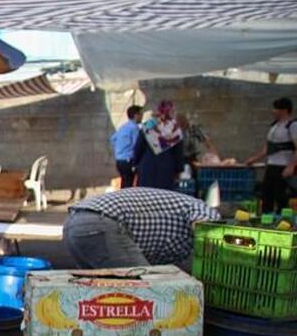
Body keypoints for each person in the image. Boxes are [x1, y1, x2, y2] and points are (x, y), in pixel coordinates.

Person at [63, 188, 221, 271]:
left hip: (73, 222)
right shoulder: (206, 209)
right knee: (145, 285)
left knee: (98, 288)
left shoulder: (176, 237)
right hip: (101, 223)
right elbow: (204, 229)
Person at [246, 97, 295, 214]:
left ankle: (283, 219)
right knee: (267, 194)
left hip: (284, 166)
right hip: (272, 165)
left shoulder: (292, 125)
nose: (273, 111)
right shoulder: (275, 126)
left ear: (283, 110)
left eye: (276, 109)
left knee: (281, 195)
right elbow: (268, 148)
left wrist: (291, 166)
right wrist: (253, 159)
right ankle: (266, 216)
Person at [132, 100, 185, 191]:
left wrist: (135, 163)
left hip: (147, 167)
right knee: (163, 199)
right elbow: (178, 154)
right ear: (171, 112)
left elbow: (138, 147)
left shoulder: (149, 125)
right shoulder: (175, 129)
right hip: (166, 169)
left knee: (146, 198)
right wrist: (179, 169)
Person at [109, 105, 143, 189]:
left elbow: (113, 139)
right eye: (141, 114)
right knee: (129, 185)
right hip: (128, 160)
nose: (142, 117)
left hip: (119, 160)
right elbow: (137, 145)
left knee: (124, 183)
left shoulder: (124, 126)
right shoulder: (134, 128)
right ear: (136, 115)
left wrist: (121, 149)